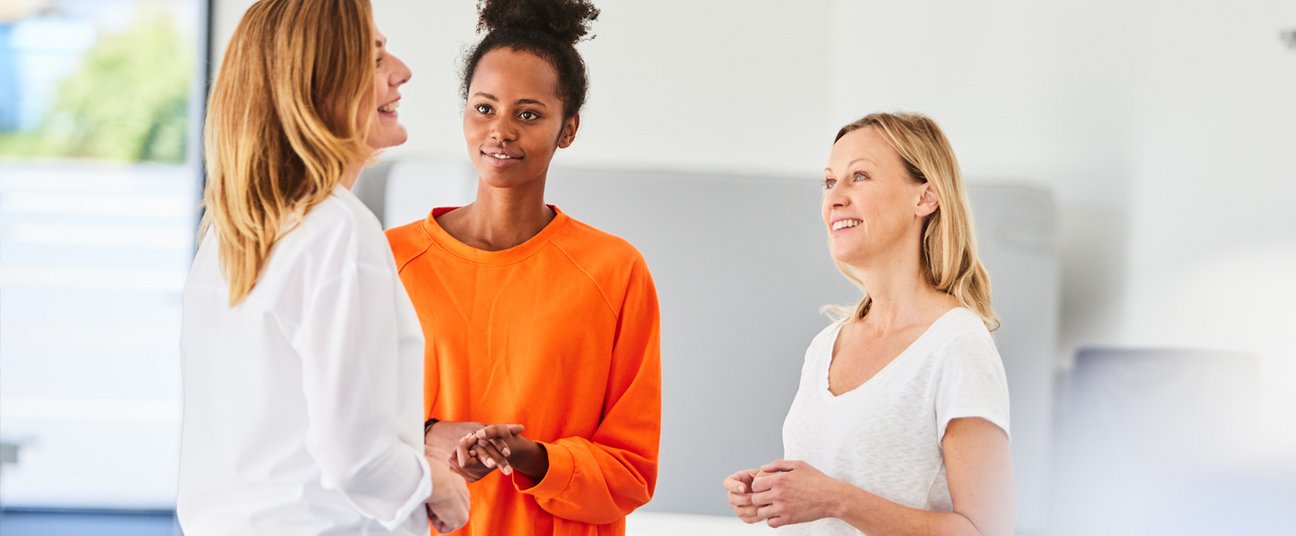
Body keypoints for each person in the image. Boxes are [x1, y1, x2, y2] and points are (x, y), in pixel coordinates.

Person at [176, 1, 468, 533]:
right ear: (321, 85)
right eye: (376, 57)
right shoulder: (337, 229)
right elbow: (355, 452)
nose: (401, 70)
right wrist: (435, 485)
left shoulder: (231, 233)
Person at [384, 0, 661, 534]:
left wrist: (532, 457)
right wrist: (429, 435)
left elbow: (631, 473)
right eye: (484, 108)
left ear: (569, 128)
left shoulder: (614, 270)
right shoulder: (390, 260)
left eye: (528, 114)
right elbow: (338, 426)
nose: (501, 131)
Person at [723, 112, 1014, 535]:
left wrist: (834, 499)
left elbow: (988, 531)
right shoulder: (826, 345)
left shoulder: (956, 344)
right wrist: (775, 491)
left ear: (925, 198)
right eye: (829, 182)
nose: (834, 197)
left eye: (859, 176)